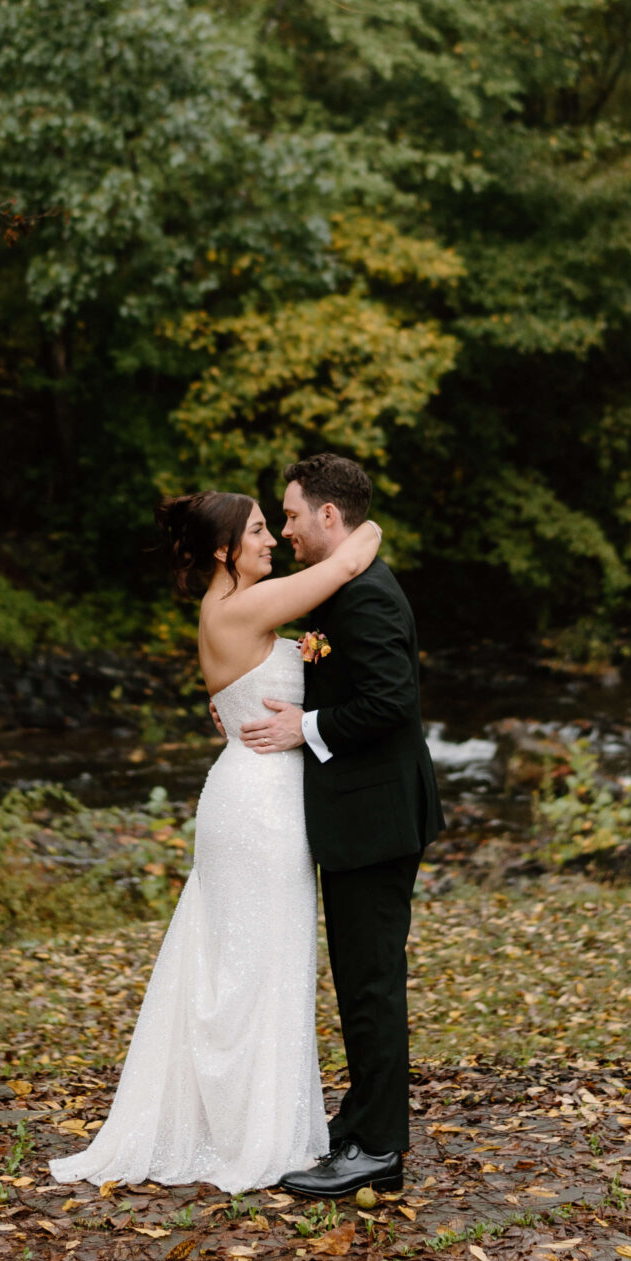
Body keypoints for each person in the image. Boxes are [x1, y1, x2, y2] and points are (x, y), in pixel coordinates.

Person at [48, 485, 382, 1193]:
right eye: (261, 531)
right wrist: (357, 517)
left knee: (246, 962)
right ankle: (248, 1133)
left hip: (253, 794)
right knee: (252, 965)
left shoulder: (231, 609)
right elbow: (352, 558)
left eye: (274, 526)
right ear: (225, 550)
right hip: (258, 807)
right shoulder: (243, 604)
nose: (272, 540)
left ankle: (239, 1121)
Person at [240, 452, 442, 1200]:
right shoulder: (342, 591)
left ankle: (378, 1151)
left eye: (291, 514)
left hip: (378, 819)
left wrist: (307, 727)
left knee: (371, 986)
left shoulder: (368, 600)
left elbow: (393, 701)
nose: (285, 527)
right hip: (362, 816)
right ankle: (358, 1127)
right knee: (360, 982)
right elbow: (327, 670)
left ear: (330, 516)